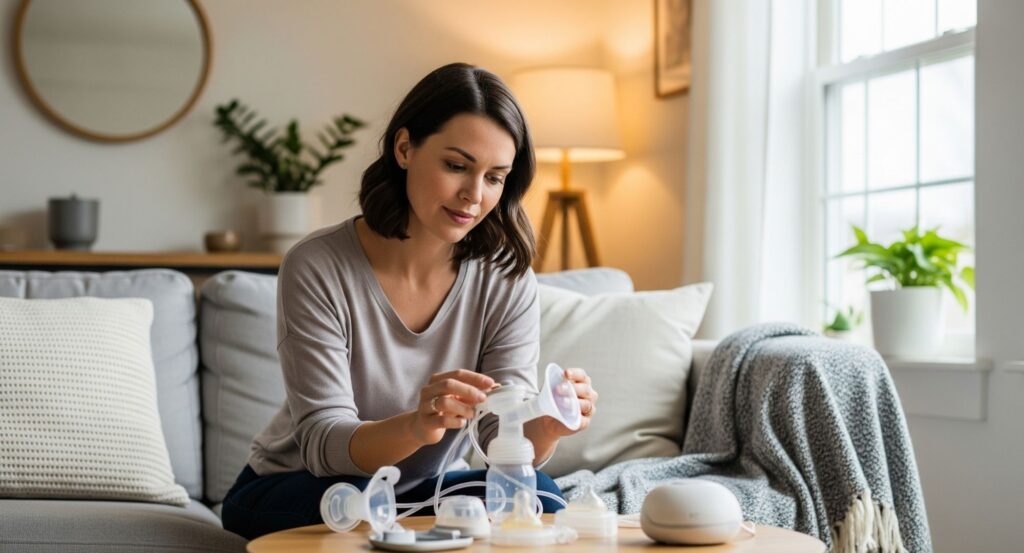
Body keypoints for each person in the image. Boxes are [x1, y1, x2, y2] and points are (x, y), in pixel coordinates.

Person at [221, 62, 599, 541]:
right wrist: (416, 427)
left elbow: (499, 438)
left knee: (539, 493)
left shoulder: (506, 276)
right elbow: (322, 442)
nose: (474, 195)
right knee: (359, 497)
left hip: (421, 490)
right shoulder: (317, 265)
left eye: (494, 177)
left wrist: (545, 425)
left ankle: (410, 529)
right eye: (457, 166)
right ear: (404, 148)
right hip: (304, 485)